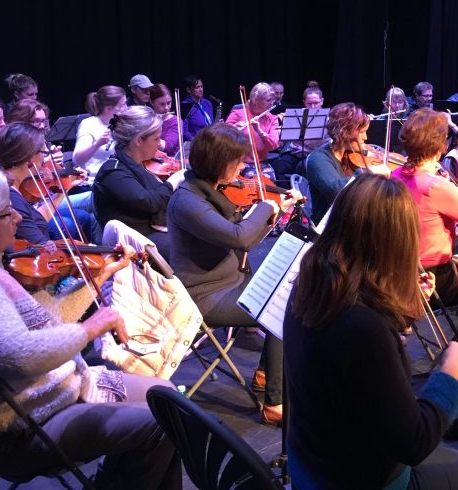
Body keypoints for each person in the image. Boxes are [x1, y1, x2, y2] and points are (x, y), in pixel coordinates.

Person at [0, 165, 181, 489]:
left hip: (44, 399)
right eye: (4, 213)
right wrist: (93, 328)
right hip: (17, 431)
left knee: (168, 398)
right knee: (165, 421)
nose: (16, 217)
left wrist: (99, 276)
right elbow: (18, 357)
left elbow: (45, 326)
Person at [284, 173, 458, 489]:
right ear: (397, 241)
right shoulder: (363, 329)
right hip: (356, 478)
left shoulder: (312, 286)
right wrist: (450, 374)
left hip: (311, 459)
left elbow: (353, 370)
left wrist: (400, 311)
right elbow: (414, 444)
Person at [166, 123, 301, 426]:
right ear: (219, 162)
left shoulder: (212, 189)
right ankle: (274, 402)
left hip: (232, 279)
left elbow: (242, 227)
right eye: (238, 161)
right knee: (283, 311)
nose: (243, 168)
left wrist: (271, 211)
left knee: (291, 288)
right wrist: (267, 207)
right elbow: (240, 237)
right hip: (204, 295)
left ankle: (269, 372)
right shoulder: (188, 201)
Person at [393, 109, 458, 305]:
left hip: (400, 275)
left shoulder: (395, 175)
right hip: (434, 280)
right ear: (441, 144)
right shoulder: (437, 186)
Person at [92, 106, 186, 259]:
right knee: (192, 248)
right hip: (135, 241)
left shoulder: (138, 163)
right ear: (138, 140)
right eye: (156, 139)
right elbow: (149, 202)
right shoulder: (113, 173)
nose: (160, 143)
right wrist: (173, 181)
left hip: (152, 228)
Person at [0, 122, 99, 248]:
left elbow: (36, 222)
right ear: (29, 158)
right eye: (43, 152)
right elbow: (43, 247)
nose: (44, 158)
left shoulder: (11, 189)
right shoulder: (11, 199)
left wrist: (64, 189)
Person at [304, 102, 390, 223]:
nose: (365, 138)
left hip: (353, 219)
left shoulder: (350, 153)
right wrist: (368, 171)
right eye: (361, 132)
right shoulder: (317, 159)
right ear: (345, 132)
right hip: (331, 226)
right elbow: (336, 190)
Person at [271, 86, 328, 184]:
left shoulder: (328, 119)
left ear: (322, 101)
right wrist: (279, 132)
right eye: (309, 103)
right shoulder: (296, 115)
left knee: (303, 168)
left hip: (314, 156)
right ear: (304, 102)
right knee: (277, 167)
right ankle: (287, 195)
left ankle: (307, 197)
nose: (313, 107)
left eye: (316, 103)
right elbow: (283, 141)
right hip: (295, 154)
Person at [73, 85, 127, 185]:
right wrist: (97, 144)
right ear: (109, 109)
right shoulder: (89, 124)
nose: (126, 108)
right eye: (122, 105)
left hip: (113, 179)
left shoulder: (119, 124)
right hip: (91, 183)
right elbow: (77, 160)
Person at [225, 82, 280, 180]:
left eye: (273, 100)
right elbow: (222, 137)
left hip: (262, 163)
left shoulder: (272, 119)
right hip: (240, 162)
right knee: (253, 180)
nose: (272, 103)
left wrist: (260, 132)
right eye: (268, 100)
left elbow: (274, 145)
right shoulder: (238, 114)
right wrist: (234, 130)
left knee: (270, 181)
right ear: (256, 100)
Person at [148, 83, 183, 158]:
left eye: (169, 103)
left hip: (170, 162)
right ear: (151, 102)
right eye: (162, 104)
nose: (167, 108)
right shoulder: (147, 118)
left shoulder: (175, 121)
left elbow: (167, 147)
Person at [180, 75, 215, 140]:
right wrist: (196, 142)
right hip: (195, 143)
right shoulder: (185, 106)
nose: (201, 89)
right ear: (188, 90)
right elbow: (184, 132)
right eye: (197, 87)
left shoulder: (207, 103)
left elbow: (211, 123)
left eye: (201, 86)